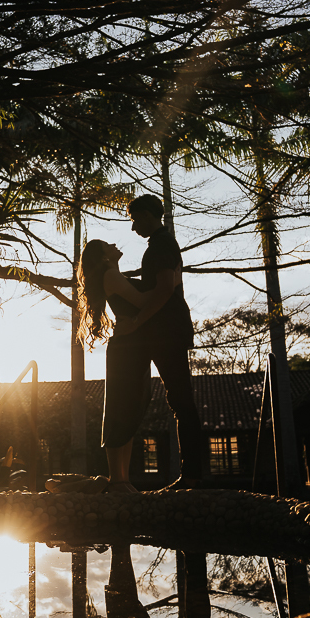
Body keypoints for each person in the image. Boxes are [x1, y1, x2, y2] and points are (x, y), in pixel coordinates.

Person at [117, 193, 202, 488]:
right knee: (178, 400)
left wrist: (137, 322)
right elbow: (157, 287)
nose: (133, 228)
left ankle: (193, 475)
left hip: (168, 332)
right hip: (163, 332)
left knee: (181, 400)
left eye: (135, 220)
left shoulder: (163, 244)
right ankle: (193, 474)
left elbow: (165, 289)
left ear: (149, 216)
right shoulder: (159, 244)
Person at [77, 239, 152, 492]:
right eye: (108, 245)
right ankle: (117, 479)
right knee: (120, 407)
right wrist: (170, 285)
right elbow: (142, 300)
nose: (114, 244)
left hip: (132, 345)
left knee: (130, 409)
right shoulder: (110, 275)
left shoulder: (114, 274)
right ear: (103, 256)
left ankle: (123, 479)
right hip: (125, 347)